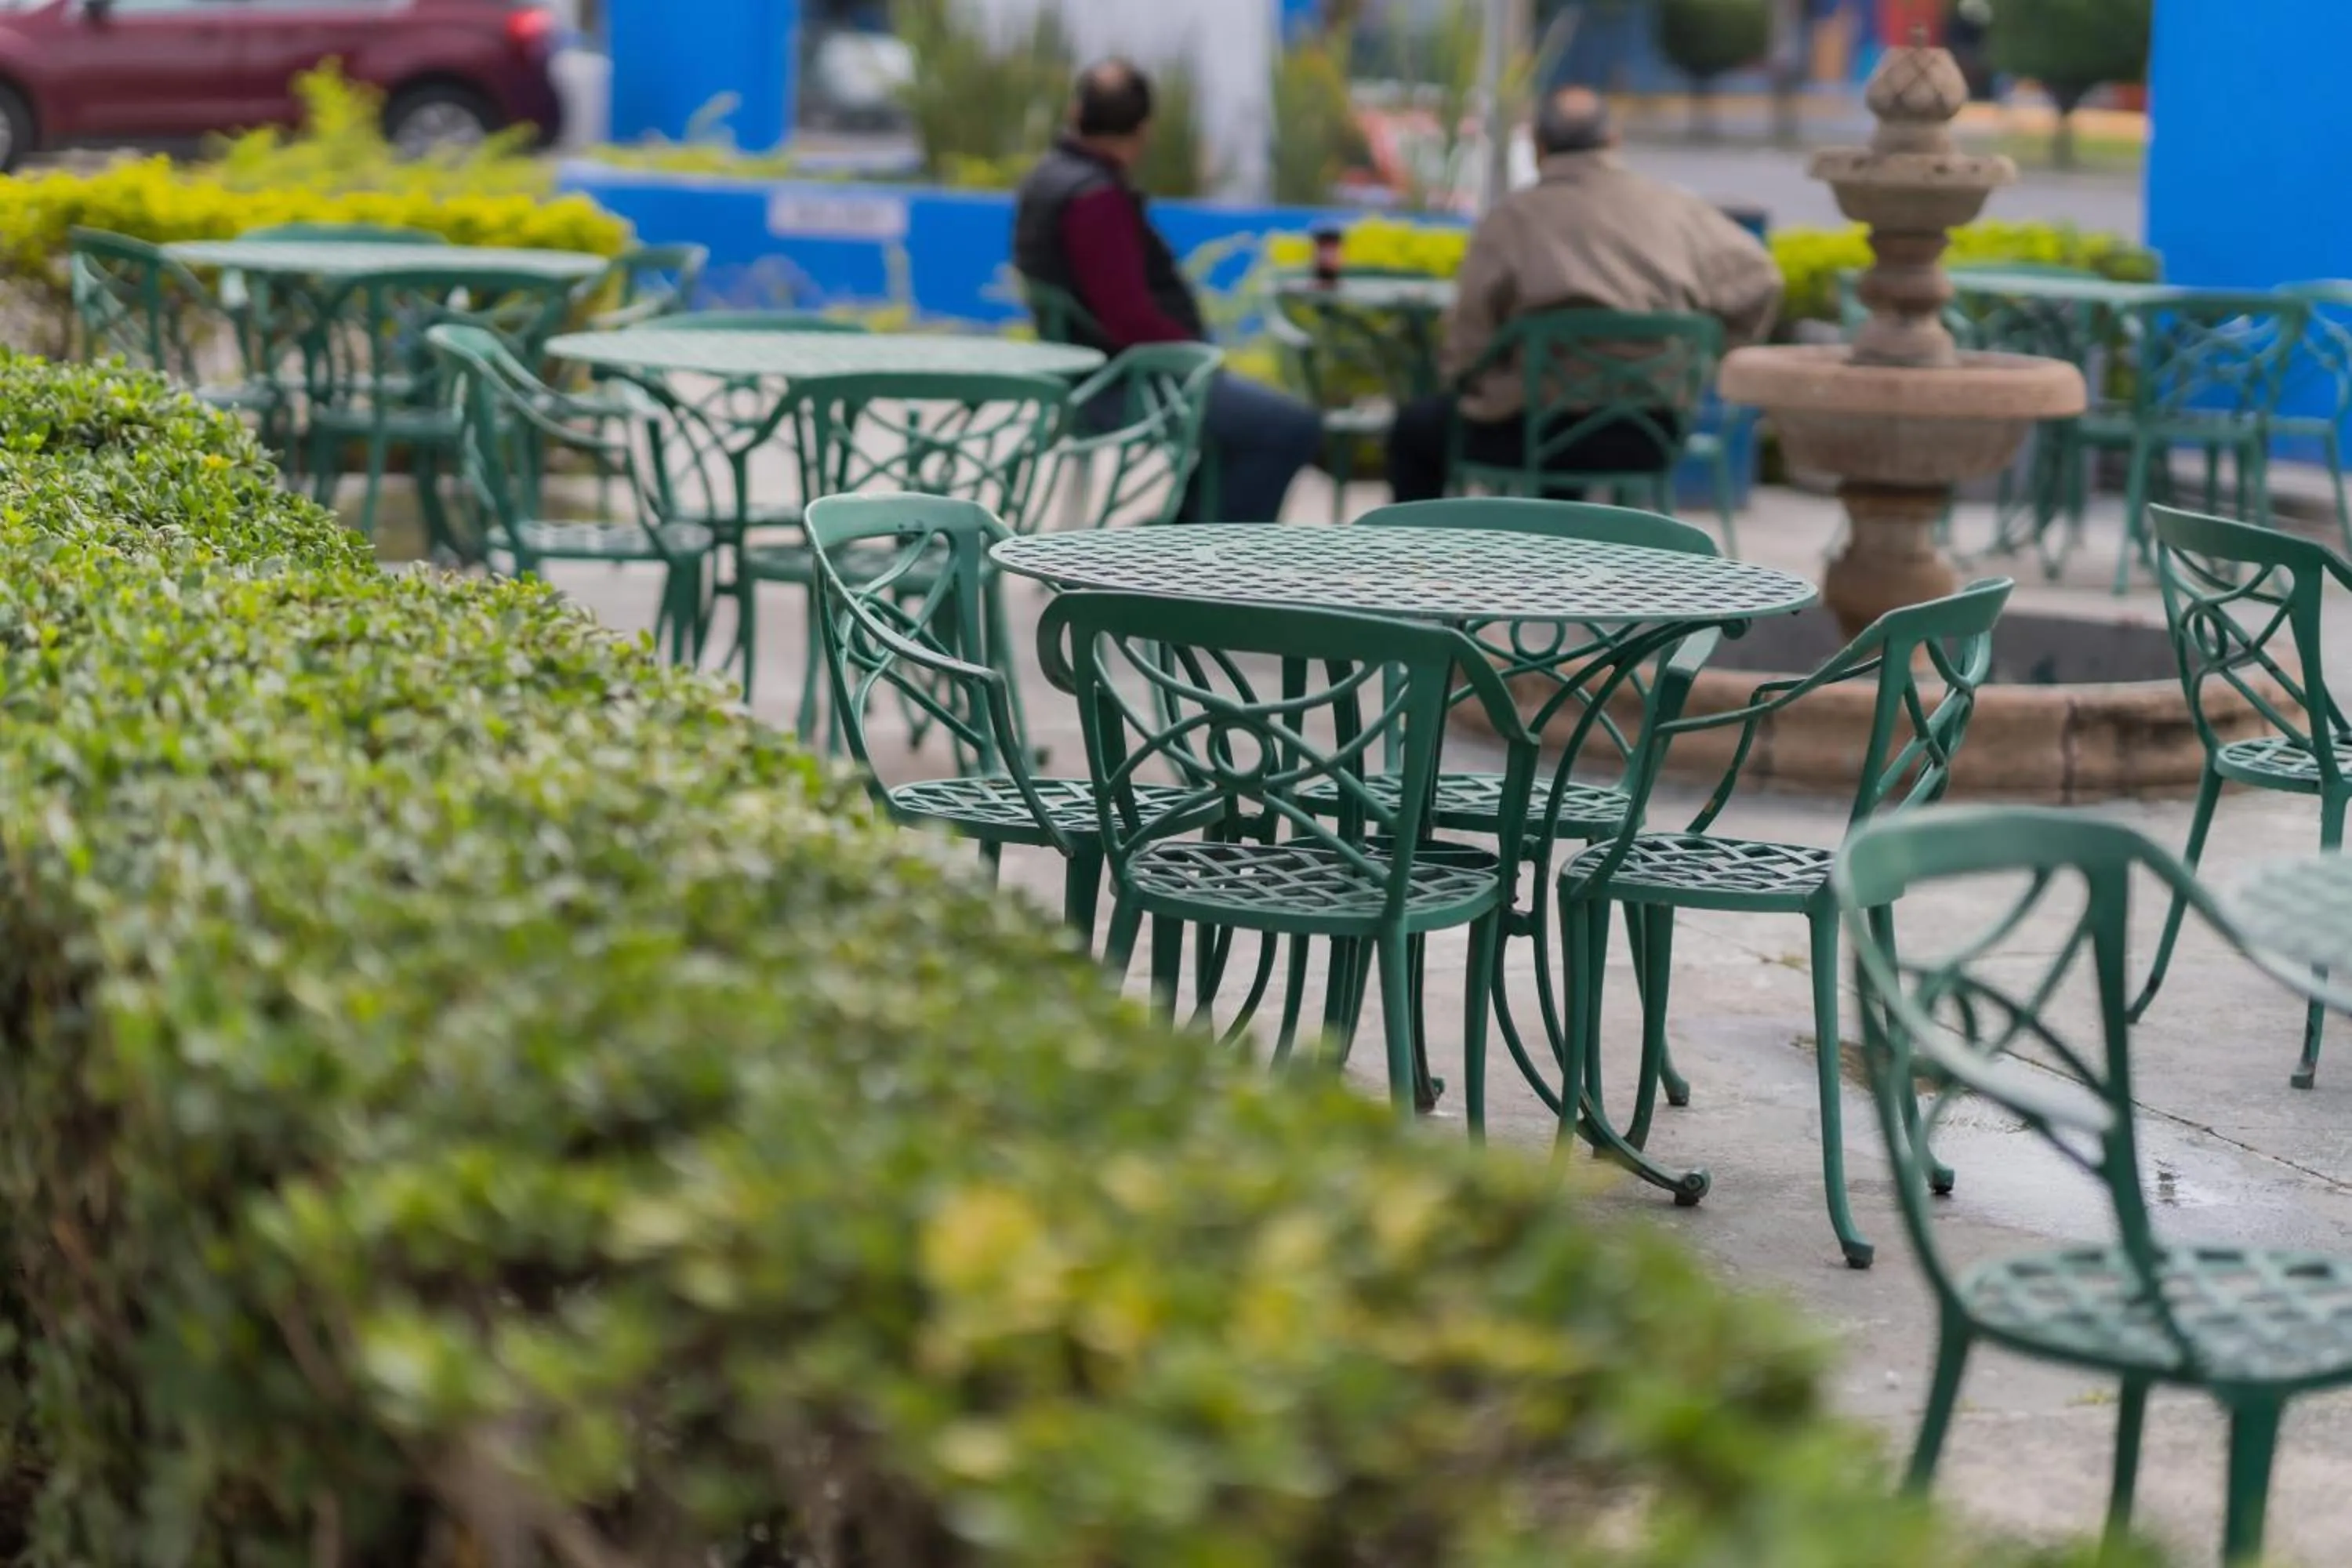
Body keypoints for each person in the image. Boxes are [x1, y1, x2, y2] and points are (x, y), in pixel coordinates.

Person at [1385, 87, 1785, 505]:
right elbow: (1762, 280)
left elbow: (1467, 346)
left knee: (1416, 430)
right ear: (1613, 139)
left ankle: (1416, 565)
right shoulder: (1677, 210)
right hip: (1650, 433)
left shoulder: (1511, 218)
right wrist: (1708, 353)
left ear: (1539, 148)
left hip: (1527, 431)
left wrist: (1473, 377)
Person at [1013, 60, 1323, 524]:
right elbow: (1128, 317)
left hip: (1092, 372)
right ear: (1143, 132)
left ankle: (1178, 542)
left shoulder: (1046, 178)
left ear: (1075, 113)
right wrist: (1197, 354)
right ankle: (1204, 565)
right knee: (1288, 427)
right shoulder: (1094, 200)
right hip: (1129, 382)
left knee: (1251, 431)